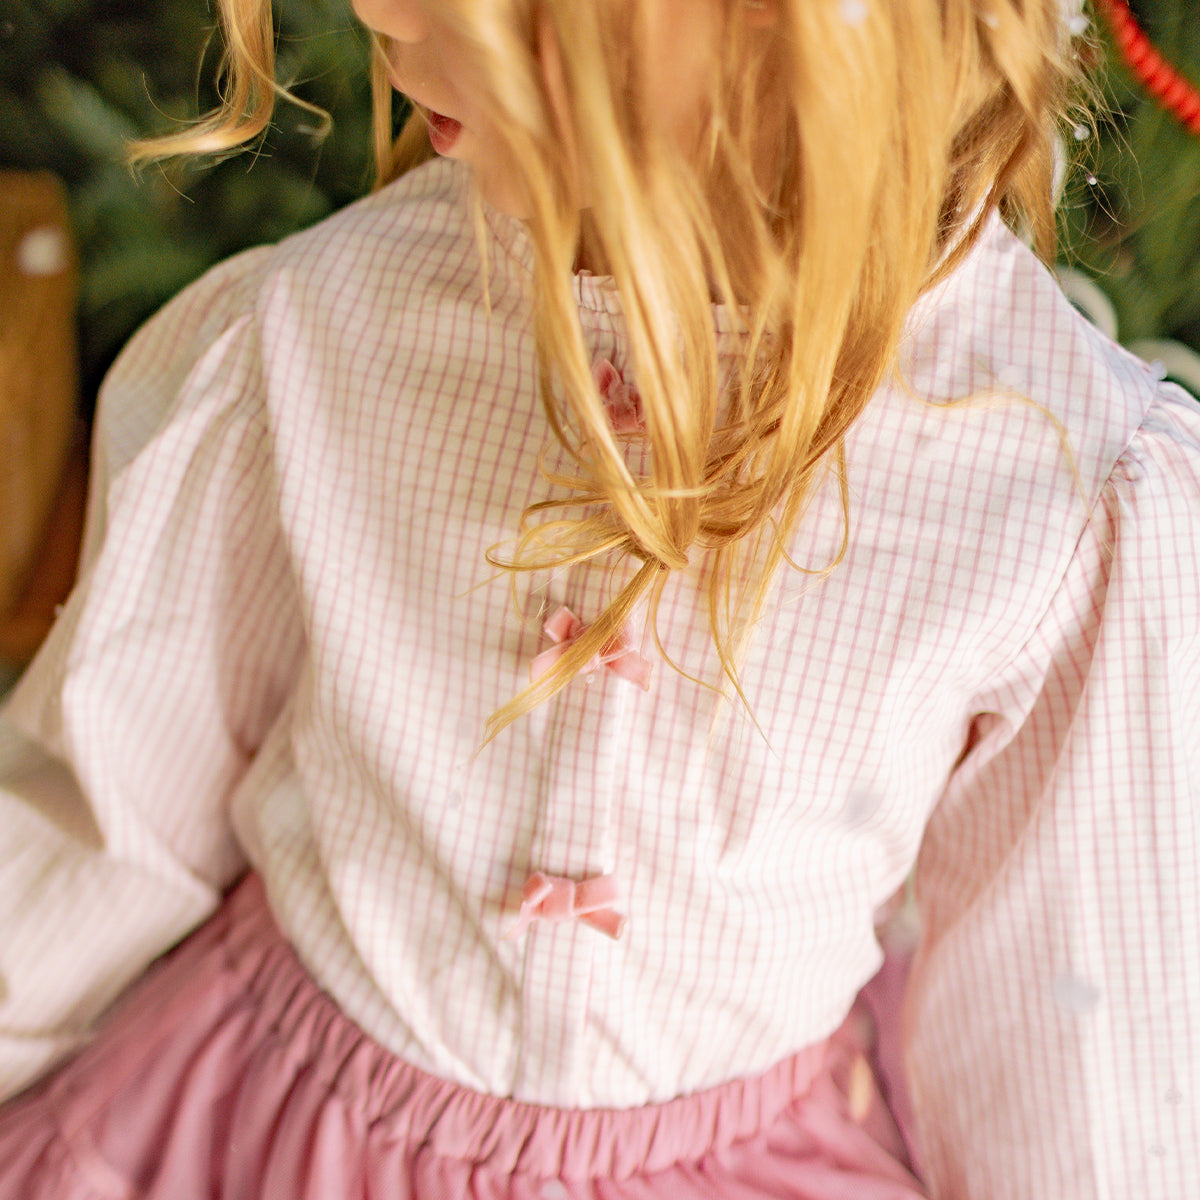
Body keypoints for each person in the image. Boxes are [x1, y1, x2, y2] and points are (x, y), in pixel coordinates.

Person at [0, 0, 1196, 1196]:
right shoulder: (318, 327)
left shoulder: (1058, 479)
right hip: (251, 1129)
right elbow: (112, 809)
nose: (374, 10)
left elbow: (1075, 1062)